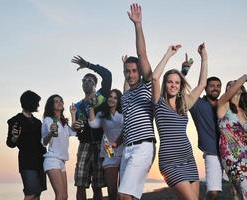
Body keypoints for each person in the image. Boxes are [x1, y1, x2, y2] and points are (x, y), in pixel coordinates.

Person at [152, 43, 208, 200]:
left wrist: (204, 58)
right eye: (170, 82)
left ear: (180, 85)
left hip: (188, 159)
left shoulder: (185, 103)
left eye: (177, 82)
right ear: (166, 83)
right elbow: (155, 77)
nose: (173, 85)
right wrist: (168, 54)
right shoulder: (158, 102)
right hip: (169, 162)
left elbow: (202, 84)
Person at [114, 4, 156, 200]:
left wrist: (138, 25)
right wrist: (117, 142)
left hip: (143, 146)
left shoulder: (147, 86)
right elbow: (128, 124)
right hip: (127, 148)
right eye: (127, 71)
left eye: (133, 71)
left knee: (123, 195)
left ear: (139, 72)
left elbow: (142, 55)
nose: (130, 74)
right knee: (130, 197)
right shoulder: (126, 96)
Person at [71, 55, 112, 200]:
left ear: (95, 84)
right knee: (80, 182)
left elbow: (107, 75)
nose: (86, 83)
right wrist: (76, 126)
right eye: (84, 80)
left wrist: (88, 65)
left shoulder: (102, 96)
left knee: (98, 184)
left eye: (90, 80)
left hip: (103, 143)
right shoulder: (77, 106)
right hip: (84, 145)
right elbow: (77, 129)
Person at [217, 75, 247, 199]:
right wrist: (244, 77)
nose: (234, 85)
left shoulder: (246, 111)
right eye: (230, 85)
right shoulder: (223, 104)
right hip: (232, 154)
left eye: (235, 83)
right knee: (244, 185)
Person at [6, 90, 47, 200]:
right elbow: (10, 143)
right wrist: (15, 137)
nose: (38, 105)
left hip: (40, 161)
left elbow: (43, 141)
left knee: (37, 194)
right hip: (27, 163)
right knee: (30, 194)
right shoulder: (15, 121)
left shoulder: (38, 122)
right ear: (30, 102)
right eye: (36, 102)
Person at [88, 89, 123, 200]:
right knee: (111, 190)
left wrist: (117, 142)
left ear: (119, 101)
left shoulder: (124, 113)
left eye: (115, 97)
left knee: (124, 190)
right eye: (110, 96)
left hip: (125, 150)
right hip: (109, 151)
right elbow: (93, 124)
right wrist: (91, 106)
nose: (112, 99)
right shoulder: (102, 114)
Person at [41, 95, 77, 200]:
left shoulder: (63, 123)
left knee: (64, 196)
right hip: (52, 160)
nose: (59, 102)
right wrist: (51, 133)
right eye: (56, 101)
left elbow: (74, 131)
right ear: (51, 106)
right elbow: (44, 142)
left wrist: (73, 114)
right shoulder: (48, 120)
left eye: (61, 100)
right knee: (60, 196)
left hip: (61, 161)